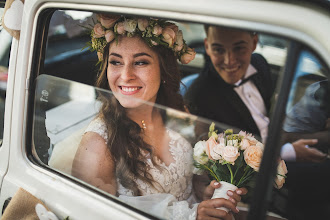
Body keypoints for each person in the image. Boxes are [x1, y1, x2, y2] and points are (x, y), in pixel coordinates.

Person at [71, 14, 246, 220]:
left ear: (164, 69)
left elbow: (192, 182)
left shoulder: (177, 111)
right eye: (116, 62)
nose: (126, 75)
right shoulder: (98, 144)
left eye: (140, 62)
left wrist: (206, 193)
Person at [184, 25, 326, 163]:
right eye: (218, 50)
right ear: (207, 47)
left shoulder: (259, 63)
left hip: (275, 139)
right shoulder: (198, 97)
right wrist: (289, 152)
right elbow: (216, 162)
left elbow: (267, 123)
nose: (229, 61)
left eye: (239, 48)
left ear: (254, 43)